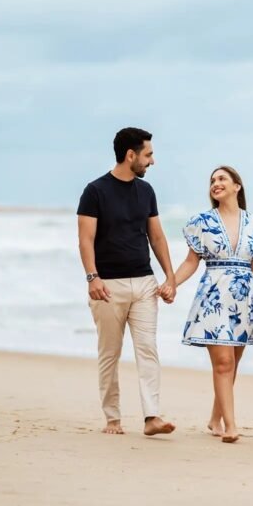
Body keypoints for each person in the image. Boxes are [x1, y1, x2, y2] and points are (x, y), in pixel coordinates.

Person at [76, 127, 176, 436]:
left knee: (148, 350)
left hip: (144, 283)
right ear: (130, 155)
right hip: (107, 287)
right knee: (110, 354)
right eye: (148, 154)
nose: (152, 161)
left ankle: (152, 418)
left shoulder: (146, 191)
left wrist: (169, 276)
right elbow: (85, 239)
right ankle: (113, 419)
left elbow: (156, 236)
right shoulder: (95, 191)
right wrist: (92, 277)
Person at [173, 166, 253, 443]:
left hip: (246, 299)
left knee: (232, 363)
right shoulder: (202, 223)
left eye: (222, 179)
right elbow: (191, 262)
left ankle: (214, 418)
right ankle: (231, 426)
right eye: (212, 181)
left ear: (237, 187)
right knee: (223, 363)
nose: (215, 184)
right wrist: (171, 282)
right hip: (214, 299)